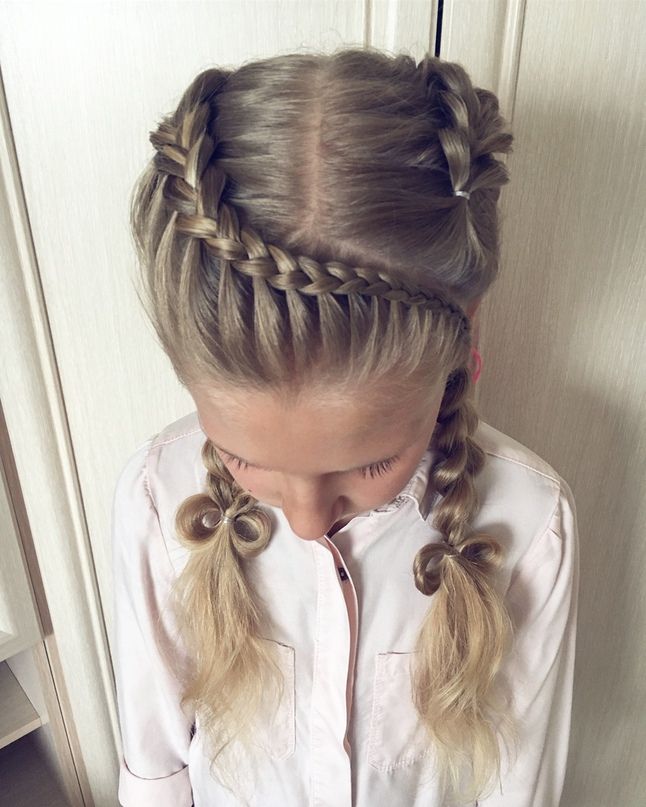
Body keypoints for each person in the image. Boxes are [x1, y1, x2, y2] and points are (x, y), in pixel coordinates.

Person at [112, 47, 579, 807]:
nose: (303, 521)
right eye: (243, 457)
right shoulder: (153, 497)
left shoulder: (532, 525)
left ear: (466, 335)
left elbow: (518, 787)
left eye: (369, 464)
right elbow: (154, 767)